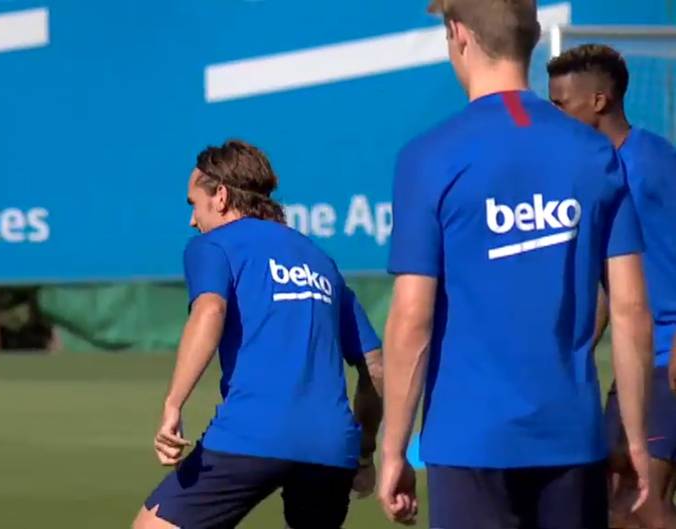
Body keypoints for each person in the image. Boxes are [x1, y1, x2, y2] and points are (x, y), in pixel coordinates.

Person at [377, 1, 656, 528]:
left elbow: (412, 318)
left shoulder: (429, 156)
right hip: (572, 439)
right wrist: (636, 439)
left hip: (469, 444)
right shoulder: (594, 153)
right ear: (530, 41)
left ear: (458, 33)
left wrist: (392, 449)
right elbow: (631, 308)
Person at [131, 140, 383, 529]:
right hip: (332, 448)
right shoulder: (319, 258)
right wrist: (364, 454)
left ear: (220, 195)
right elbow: (376, 367)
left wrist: (173, 404)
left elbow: (209, 310)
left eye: (192, 204)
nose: (192, 221)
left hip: (251, 434)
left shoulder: (212, 245)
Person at [548, 43, 676, 529]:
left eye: (561, 104)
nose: (554, 115)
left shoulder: (652, 161)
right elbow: (613, 286)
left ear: (598, 102)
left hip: (668, 355)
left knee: (645, 498)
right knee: (613, 501)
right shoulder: (600, 173)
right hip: (642, 360)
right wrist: (577, 347)